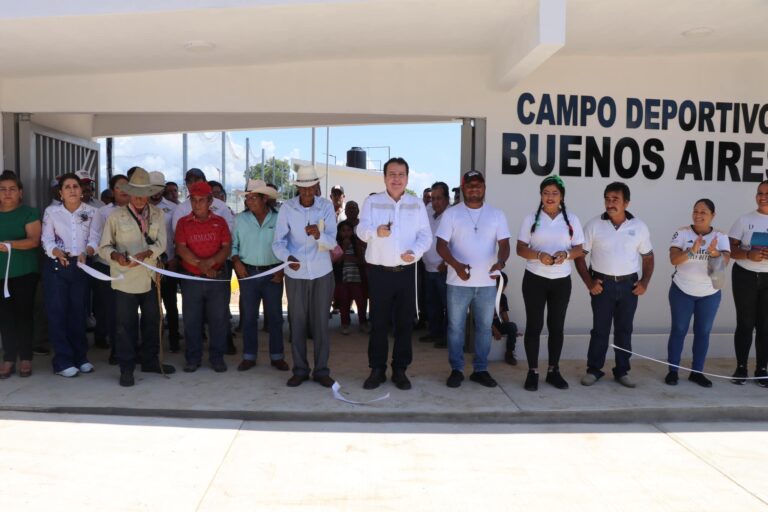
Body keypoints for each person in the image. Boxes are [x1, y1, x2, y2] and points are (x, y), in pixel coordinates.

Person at [357, 157, 431, 390]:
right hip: (380, 273)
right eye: (391, 174)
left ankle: (400, 370)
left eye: (400, 174)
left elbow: (426, 236)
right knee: (378, 323)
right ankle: (377, 369)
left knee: (404, 324)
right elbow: (360, 231)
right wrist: (375, 231)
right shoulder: (373, 201)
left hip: (406, 272)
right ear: (384, 177)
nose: (396, 179)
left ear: (407, 178)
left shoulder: (416, 204)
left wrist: (416, 252)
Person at [99, 168, 175, 387]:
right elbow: (104, 246)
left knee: (152, 321)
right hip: (124, 276)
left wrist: (148, 253)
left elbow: (162, 243)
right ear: (129, 194)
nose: (141, 198)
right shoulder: (115, 216)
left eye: (144, 193)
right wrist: (115, 256)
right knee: (125, 325)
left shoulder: (158, 214)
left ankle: (150, 360)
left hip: (150, 275)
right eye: (136, 193)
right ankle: (126, 368)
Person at [575, 182, 654, 388]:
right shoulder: (593, 225)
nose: (610, 203)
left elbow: (648, 257)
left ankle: (622, 371)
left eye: (615, 199)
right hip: (603, 285)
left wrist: (644, 282)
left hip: (629, 286)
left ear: (626, 202)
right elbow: (579, 257)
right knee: (600, 330)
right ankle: (594, 370)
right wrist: (589, 282)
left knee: (624, 330)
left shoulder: (639, 227)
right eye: (607, 199)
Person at [436, 170, 510, 388]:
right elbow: (441, 245)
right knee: (455, 328)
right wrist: (457, 266)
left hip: (486, 283)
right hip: (458, 283)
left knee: (484, 328)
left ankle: (481, 369)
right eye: (470, 185)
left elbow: (504, 245)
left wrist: (501, 262)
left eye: (478, 184)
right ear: (463, 188)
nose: (474, 188)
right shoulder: (452, 214)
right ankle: (456, 369)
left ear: (484, 187)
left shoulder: (496, 214)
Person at [516, 175, 584, 391]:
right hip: (534, 279)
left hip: (561, 281)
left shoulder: (571, 219)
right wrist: (539, 255)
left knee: (556, 327)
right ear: (541, 196)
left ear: (562, 196)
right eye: (546, 193)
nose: (550, 197)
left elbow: (580, 249)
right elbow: (520, 248)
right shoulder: (530, 219)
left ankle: (553, 370)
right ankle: (533, 372)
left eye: (555, 193)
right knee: (534, 326)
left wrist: (566, 254)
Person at [273, 165, 337, 388]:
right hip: (296, 272)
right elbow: (278, 242)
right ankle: (300, 369)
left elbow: (332, 242)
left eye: (312, 188)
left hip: (322, 272)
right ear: (298, 187)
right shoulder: (288, 209)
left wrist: (319, 235)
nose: (308, 192)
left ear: (317, 186)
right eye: (304, 188)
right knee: (297, 323)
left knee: (321, 324)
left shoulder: (326, 207)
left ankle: (321, 370)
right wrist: (288, 257)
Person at [665, 199, 730, 388]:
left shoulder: (720, 236)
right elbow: (674, 259)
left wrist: (715, 254)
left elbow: (725, 261)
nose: (698, 215)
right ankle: (673, 371)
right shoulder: (682, 233)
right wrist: (692, 251)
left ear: (712, 215)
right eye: (695, 211)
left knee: (703, 332)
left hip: (709, 293)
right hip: (682, 291)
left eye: (703, 212)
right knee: (678, 330)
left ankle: (697, 372)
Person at [41, 173, 100, 377]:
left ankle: (80, 357)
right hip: (57, 265)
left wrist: (87, 252)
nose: (73, 189)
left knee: (78, 313)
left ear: (81, 190)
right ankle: (63, 361)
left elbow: (95, 240)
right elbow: (46, 239)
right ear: (61, 192)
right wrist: (56, 252)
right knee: (58, 313)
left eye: (76, 186)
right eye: (68, 187)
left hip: (81, 265)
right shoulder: (51, 212)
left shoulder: (92, 212)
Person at [175, 181, 232, 373]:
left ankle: (217, 358)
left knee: (218, 320)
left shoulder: (220, 222)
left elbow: (226, 247)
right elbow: (181, 248)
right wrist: (202, 265)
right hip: (192, 278)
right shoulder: (183, 223)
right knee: (192, 320)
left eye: (201, 200)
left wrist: (212, 263)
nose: (197, 204)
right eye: (194, 200)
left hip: (217, 278)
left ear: (210, 201)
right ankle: (193, 358)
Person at [232, 179, 288, 372]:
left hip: (273, 273)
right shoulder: (240, 220)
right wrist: (236, 262)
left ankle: (277, 356)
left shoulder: (280, 218)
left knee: (275, 318)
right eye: (248, 197)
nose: (249, 201)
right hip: (248, 273)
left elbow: (288, 245)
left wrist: (282, 268)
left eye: (253, 197)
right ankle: (249, 356)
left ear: (265, 198)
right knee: (248, 317)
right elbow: (233, 246)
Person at [0, 172, 42, 378]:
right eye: (3, 189)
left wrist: (8, 244)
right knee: (5, 317)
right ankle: (8, 359)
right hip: (1, 275)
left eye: (12, 189)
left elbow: (34, 240)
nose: (7, 193)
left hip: (25, 272)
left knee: (24, 315)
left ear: (20, 192)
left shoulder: (29, 213)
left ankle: (25, 357)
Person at [728, 180, 768, 386]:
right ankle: (741, 367)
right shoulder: (745, 220)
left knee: (765, 326)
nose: (762, 196)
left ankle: (762, 369)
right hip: (745, 276)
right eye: (759, 193)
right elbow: (730, 249)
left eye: (766, 193)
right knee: (745, 323)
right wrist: (747, 254)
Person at [89, 174, 130, 354]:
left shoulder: (139, 210)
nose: (124, 190)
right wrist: (114, 256)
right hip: (106, 267)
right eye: (120, 187)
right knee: (111, 310)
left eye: (128, 186)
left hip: (131, 269)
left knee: (128, 310)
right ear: (113, 191)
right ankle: (116, 350)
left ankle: (131, 346)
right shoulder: (103, 212)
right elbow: (96, 240)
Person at [148, 171, 181, 352]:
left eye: (159, 188)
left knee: (171, 304)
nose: (156, 192)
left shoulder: (172, 208)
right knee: (152, 307)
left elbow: (178, 235)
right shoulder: (141, 207)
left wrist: (175, 257)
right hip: (148, 265)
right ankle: (154, 342)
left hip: (169, 263)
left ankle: (174, 339)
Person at [419, 181, 450, 347]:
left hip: (444, 269)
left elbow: (457, 242)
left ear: (447, 199)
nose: (435, 202)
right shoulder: (428, 210)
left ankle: (446, 337)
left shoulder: (452, 214)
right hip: (428, 267)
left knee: (448, 305)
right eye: (433, 198)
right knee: (431, 303)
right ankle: (434, 332)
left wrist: (447, 262)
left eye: (439, 198)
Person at [333, 220, 368, 334]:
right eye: (343, 231)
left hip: (356, 277)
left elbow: (361, 260)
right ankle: (345, 324)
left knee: (360, 301)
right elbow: (336, 261)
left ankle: (362, 323)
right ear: (339, 232)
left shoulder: (356, 243)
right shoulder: (336, 244)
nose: (346, 233)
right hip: (343, 278)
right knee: (344, 302)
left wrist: (351, 258)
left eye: (349, 230)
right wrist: (343, 248)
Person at [492, 272, 519, 365]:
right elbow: (482, 319)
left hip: (498, 325)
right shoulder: (486, 296)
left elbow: (504, 315)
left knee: (512, 326)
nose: (501, 288)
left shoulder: (502, 297)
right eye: (498, 285)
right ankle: (480, 357)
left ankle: (509, 353)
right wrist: (494, 330)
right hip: (486, 326)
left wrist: (512, 331)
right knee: (481, 324)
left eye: (503, 286)